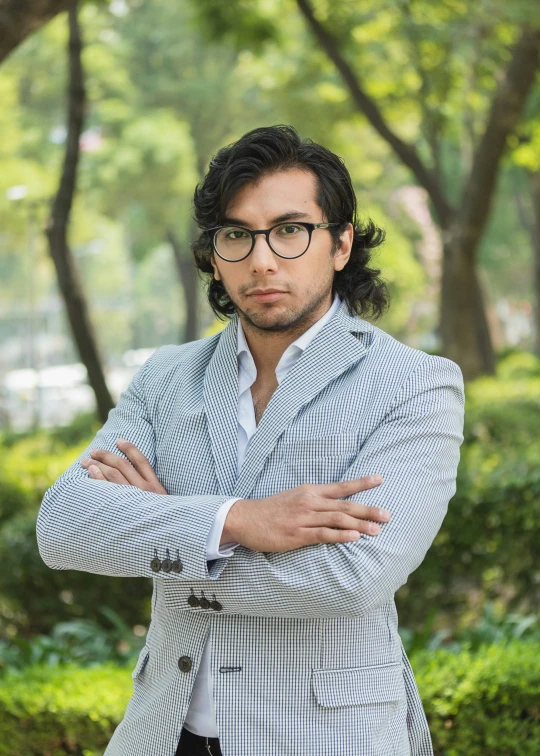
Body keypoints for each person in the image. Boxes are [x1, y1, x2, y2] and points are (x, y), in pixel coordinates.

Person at [37, 124, 465, 756]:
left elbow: (349, 578)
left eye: (290, 230)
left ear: (341, 243)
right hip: (163, 734)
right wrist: (238, 520)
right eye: (237, 234)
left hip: (328, 736)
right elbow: (63, 526)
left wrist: (161, 530)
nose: (262, 259)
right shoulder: (166, 377)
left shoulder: (414, 384)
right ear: (215, 253)